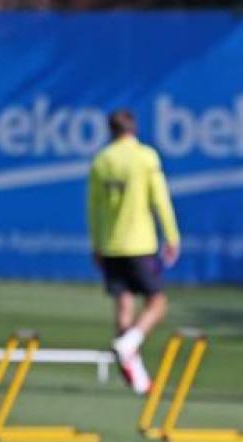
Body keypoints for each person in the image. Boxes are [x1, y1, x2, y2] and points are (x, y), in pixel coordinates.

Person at [87, 108, 180, 395]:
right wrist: (172, 235)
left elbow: (94, 207)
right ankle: (132, 342)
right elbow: (160, 199)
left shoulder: (102, 160)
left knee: (124, 304)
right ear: (134, 128)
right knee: (157, 303)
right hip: (140, 243)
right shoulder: (145, 157)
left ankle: (137, 378)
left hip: (112, 243)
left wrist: (97, 243)